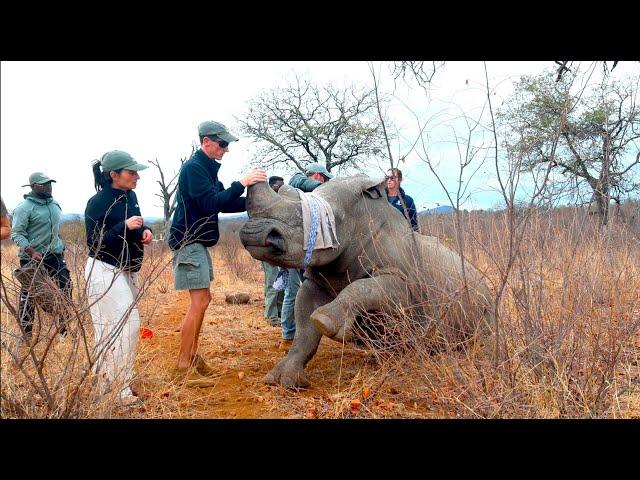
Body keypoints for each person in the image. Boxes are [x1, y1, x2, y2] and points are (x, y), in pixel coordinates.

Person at [168, 120, 267, 387]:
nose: (226, 149)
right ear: (206, 141)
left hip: (197, 242)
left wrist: (257, 198)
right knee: (199, 302)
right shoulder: (194, 168)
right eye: (222, 144)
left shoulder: (206, 168)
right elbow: (212, 203)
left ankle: (191, 357)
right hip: (188, 241)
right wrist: (241, 182)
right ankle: (182, 365)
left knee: (204, 299)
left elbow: (223, 202)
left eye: (227, 144)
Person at [85, 151, 153, 407]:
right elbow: (93, 242)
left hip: (126, 269)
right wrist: (123, 226)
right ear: (113, 174)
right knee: (125, 325)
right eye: (131, 172)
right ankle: (119, 392)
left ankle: (105, 383)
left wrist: (145, 231)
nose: (137, 177)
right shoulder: (97, 202)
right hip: (103, 269)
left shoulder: (130, 196)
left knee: (111, 328)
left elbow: (137, 226)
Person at [277, 162, 333, 351]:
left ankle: (307, 334)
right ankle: (287, 336)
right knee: (292, 293)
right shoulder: (295, 183)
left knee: (312, 291)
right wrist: (325, 187)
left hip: (309, 253)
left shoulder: (311, 198)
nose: (324, 182)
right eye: (324, 178)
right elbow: (298, 179)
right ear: (316, 175)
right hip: (292, 251)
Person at [10, 172, 71, 340]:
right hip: (32, 257)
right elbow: (17, 233)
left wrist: (60, 246)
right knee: (29, 294)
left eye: (50, 184)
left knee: (65, 287)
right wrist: (31, 251)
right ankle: (26, 334)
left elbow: (55, 232)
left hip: (55, 256)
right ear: (33, 187)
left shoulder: (55, 205)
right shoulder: (23, 208)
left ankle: (64, 331)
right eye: (44, 184)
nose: (49, 187)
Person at [262, 176, 284, 327]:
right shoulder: (264, 205)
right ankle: (271, 316)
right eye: (279, 186)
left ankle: (281, 313)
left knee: (282, 283)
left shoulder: (279, 204)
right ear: (271, 186)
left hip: (280, 251)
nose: (281, 189)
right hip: (268, 250)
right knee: (272, 284)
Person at [386, 168, 419, 232]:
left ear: (399, 180)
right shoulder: (379, 198)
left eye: (392, 177)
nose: (389, 180)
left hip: (401, 238)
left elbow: (414, 226)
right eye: (387, 177)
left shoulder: (408, 200)